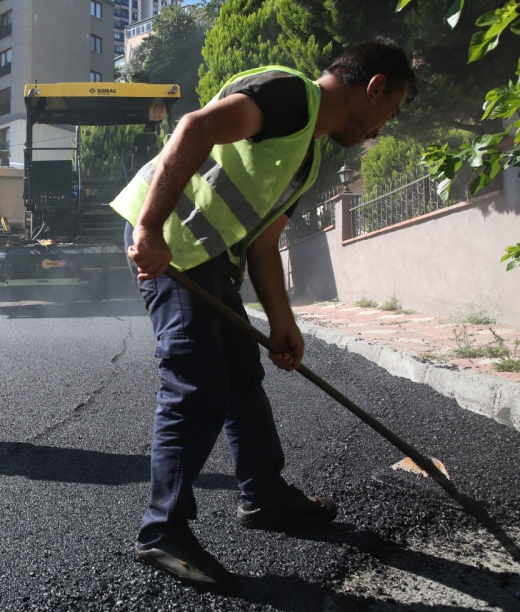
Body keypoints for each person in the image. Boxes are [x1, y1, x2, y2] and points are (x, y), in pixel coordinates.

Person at [109, 40, 415, 591]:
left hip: (208, 259)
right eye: (388, 112)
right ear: (373, 88)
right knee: (196, 381)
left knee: (242, 375)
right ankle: (162, 531)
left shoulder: (313, 154)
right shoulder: (288, 95)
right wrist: (150, 228)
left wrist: (282, 322)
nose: (380, 130)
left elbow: (264, 244)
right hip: (170, 243)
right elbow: (194, 129)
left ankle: (265, 495)